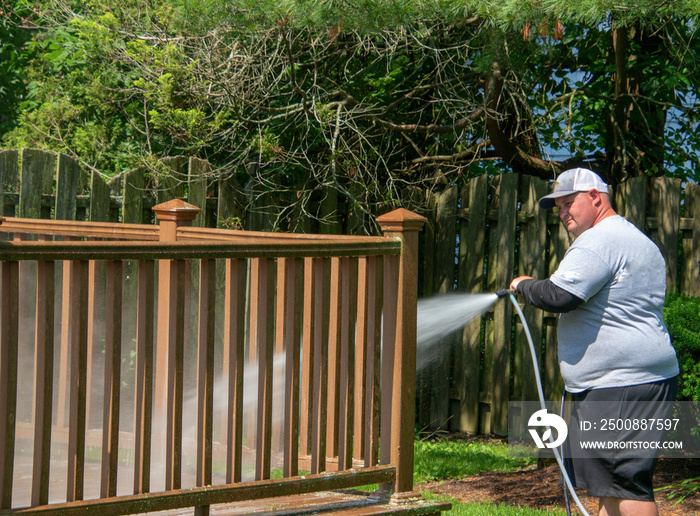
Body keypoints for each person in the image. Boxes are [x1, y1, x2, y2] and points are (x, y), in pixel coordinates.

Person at [509, 168, 679, 516]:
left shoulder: (600, 239)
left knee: (628, 486)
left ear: (595, 197)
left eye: (569, 203)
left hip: (621, 384)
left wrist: (523, 284)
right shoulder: (637, 239)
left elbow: (559, 295)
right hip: (638, 380)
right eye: (558, 207)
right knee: (613, 485)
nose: (562, 213)